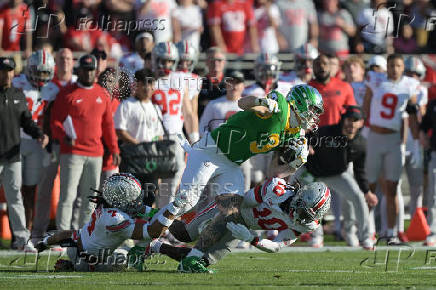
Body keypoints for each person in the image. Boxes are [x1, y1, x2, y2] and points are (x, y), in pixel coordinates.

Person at [153, 84, 324, 243]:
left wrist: (293, 166)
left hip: (232, 164)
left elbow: (274, 173)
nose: (314, 116)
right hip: (210, 152)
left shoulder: (294, 135)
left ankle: (195, 248)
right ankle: (149, 227)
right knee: (187, 202)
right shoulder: (281, 109)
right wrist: (262, 101)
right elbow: (242, 103)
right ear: (299, 103)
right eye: (312, 109)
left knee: (231, 211)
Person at [149, 178, 330, 273]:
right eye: (303, 212)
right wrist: (220, 223)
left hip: (244, 227)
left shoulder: (308, 224)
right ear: (300, 198)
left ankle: (154, 247)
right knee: (186, 235)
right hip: (234, 206)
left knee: (203, 261)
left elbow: (276, 247)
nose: (301, 218)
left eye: (307, 216)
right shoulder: (276, 189)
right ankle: (152, 213)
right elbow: (242, 201)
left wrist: (252, 238)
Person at [36, 173, 192, 271]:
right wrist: (174, 207)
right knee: (131, 253)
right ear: (122, 198)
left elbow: (68, 234)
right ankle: (76, 267)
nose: (136, 200)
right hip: (94, 261)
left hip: (77, 248)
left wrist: (45, 242)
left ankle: (73, 265)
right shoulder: (114, 218)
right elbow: (152, 231)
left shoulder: (107, 206)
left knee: (143, 240)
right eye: (133, 196)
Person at [51, 54, 120, 231]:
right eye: (85, 70)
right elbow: (55, 121)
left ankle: (83, 234)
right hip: (72, 152)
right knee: (68, 195)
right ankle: (63, 234)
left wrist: (114, 149)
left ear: (95, 72)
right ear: (79, 71)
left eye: (91, 70)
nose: (88, 74)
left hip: (95, 153)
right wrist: (61, 135)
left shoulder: (102, 94)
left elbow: (108, 125)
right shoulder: (67, 93)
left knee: (90, 197)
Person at [300, 105, 377, 249]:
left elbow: (360, 171)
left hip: (337, 175)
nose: (351, 124)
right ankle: (316, 236)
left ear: (361, 123)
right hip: (313, 174)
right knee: (308, 201)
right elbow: (307, 136)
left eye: (356, 120)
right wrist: (307, 144)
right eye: (349, 119)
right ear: (342, 120)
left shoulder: (361, 144)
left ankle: (365, 237)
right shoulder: (327, 132)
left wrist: (367, 191)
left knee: (358, 196)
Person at [363, 54, 421, 245]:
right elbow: (366, 105)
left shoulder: (410, 84)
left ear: (403, 67)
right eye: (391, 65)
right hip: (375, 137)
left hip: (394, 140)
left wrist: (414, 142)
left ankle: (391, 233)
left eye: (397, 65)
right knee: (369, 185)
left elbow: (412, 113)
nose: (394, 69)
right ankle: (366, 232)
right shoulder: (376, 80)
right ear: (386, 67)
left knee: (392, 187)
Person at [0, 57, 48, 251]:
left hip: (12, 157)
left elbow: (27, 121)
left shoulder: (18, 95)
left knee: (16, 200)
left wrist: (39, 134)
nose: (7, 74)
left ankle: (22, 239)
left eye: (10, 70)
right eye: (3, 70)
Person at [32, 48, 77, 242]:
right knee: (44, 189)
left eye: (68, 58)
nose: (65, 61)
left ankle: (68, 233)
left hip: (73, 145)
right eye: (61, 58)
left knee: (70, 192)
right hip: (52, 144)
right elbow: (41, 114)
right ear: (55, 62)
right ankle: (37, 232)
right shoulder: (48, 85)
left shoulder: (78, 82)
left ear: (73, 61)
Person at [12, 50, 55, 231]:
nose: (41, 76)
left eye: (46, 72)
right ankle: (17, 233)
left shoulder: (53, 89)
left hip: (37, 143)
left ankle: (27, 229)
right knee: (13, 189)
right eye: (38, 71)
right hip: (15, 140)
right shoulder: (17, 83)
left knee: (30, 189)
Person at [309, 54, 356, 128]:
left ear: (330, 67)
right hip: (314, 136)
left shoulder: (344, 87)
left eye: (325, 63)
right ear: (313, 68)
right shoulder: (306, 89)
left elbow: (352, 113)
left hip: (338, 134)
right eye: (317, 64)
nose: (321, 66)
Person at [420, 90, 436, 246]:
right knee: (434, 195)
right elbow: (424, 126)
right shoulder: (433, 104)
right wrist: (424, 136)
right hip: (435, 153)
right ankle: (433, 232)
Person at [197, 47, 227, 119]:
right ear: (206, 62)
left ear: (224, 62)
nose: (215, 63)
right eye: (212, 60)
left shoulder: (231, 84)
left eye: (219, 60)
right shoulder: (198, 83)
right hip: (203, 126)